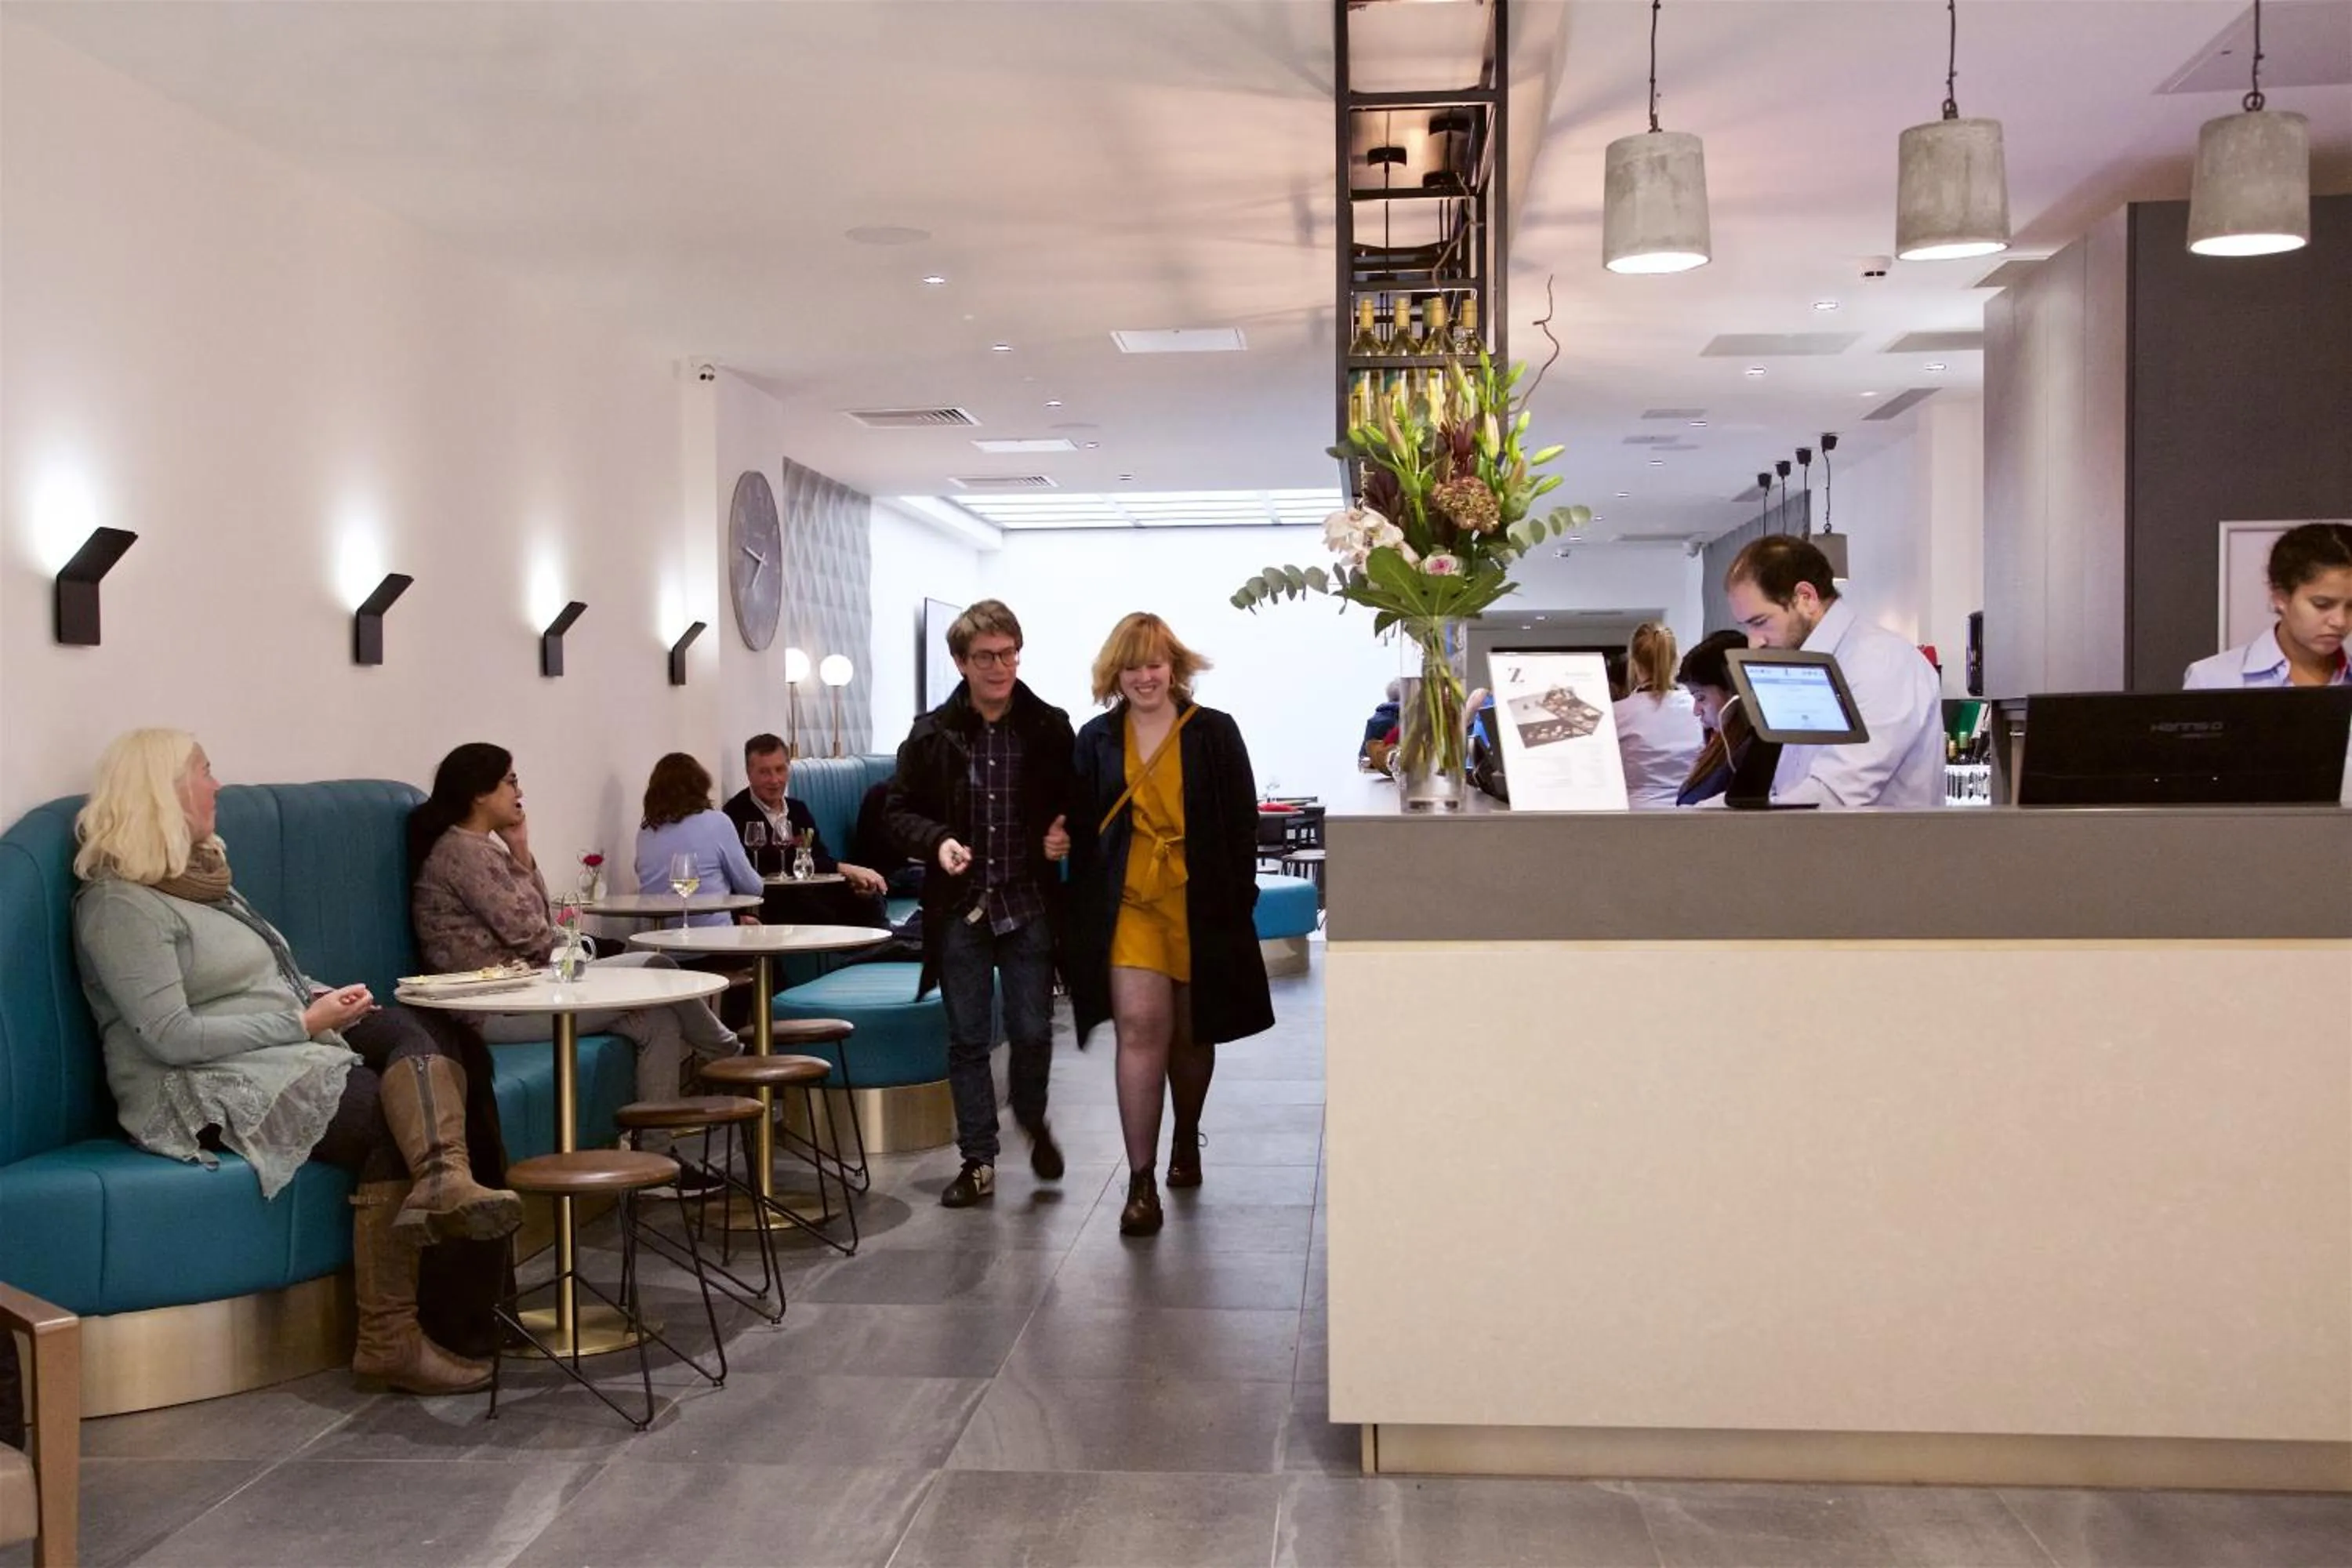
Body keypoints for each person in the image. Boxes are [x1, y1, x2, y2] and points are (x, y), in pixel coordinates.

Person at [71, 729, 519, 1396]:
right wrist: (302, 1021)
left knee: (433, 1036)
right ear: (160, 794)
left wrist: (316, 995)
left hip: (278, 1045)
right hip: (199, 1083)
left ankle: (446, 1185)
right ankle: (390, 1339)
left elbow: (259, 973)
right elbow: (168, 1036)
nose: (217, 784)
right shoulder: (120, 905)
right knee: (383, 1117)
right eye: (205, 770)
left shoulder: (201, 880)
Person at [1064, 614, 1274, 1236]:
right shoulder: (1096, 738)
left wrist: (1238, 901)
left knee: (1190, 1033)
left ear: (1175, 669)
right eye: (1132, 665)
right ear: (1115, 673)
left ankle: (1186, 1135)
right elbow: (1080, 822)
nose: (1145, 676)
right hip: (1128, 903)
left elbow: (1242, 822)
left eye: (1155, 663)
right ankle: (1139, 1182)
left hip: (1200, 901)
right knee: (1139, 1030)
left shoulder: (1214, 732)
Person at [408, 744, 739, 1114]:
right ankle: (730, 1054)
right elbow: (535, 936)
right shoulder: (463, 854)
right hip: (491, 1008)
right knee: (653, 965)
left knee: (658, 1020)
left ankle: (663, 1160)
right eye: (511, 781)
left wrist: (519, 847)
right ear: (481, 793)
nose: (519, 792)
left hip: (530, 988)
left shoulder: (482, 849)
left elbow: (539, 926)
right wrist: (573, 946)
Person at [885, 599, 1074, 1207]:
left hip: (1027, 905)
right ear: (961, 663)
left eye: (1009, 653)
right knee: (967, 1038)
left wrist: (1065, 828)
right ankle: (978, 1158)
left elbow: (1079, 798)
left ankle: (1033, 1118)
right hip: (961, 909)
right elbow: (896, 812)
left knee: (1033, 1032)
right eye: (986, 656)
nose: (1000, 666)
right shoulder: (930, 734)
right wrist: (936, 841)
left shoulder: (1049, 726)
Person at [1723, 535, 1944, 809]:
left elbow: (1834, 796)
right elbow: (1782, 789)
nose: (1754, 641)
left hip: (1878, 850)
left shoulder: (1881, 661)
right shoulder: (1803, 664)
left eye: (1760, 622)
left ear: (1806, 598)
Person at [720, 733, 890, 927]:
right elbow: (767, 864)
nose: (775, 780)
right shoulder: (735, 813)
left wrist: (851, 878)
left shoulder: (798, 809)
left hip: (809, 890)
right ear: (749, 774)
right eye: (764, 772)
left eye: (780, 769)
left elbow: (819, 856)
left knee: (870, 896)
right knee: (819, 911)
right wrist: (845, 868)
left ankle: (885, 949)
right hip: (772, 902)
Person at [2184, 523, 2352, 689]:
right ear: (2280, 597)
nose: (2340, 621)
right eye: (2322, 605)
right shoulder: (2212, 679)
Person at [633, 753, 764, 926]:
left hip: (656, 941)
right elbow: (752, 888)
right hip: (712, 941)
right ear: (701, 786)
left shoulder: (645, 833)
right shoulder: (717, 822)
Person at [1613, 621, 1704, 809]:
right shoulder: (1700, 708)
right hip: (1692, 812)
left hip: (1636, 816)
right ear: (1676, 659)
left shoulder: (1616, 714)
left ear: (1634, 663)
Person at [1675, 630, 1759, 807]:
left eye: (1701, 698)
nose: (1697, 711)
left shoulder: (1750, 753)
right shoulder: (1724, 746)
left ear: (1734, 690)